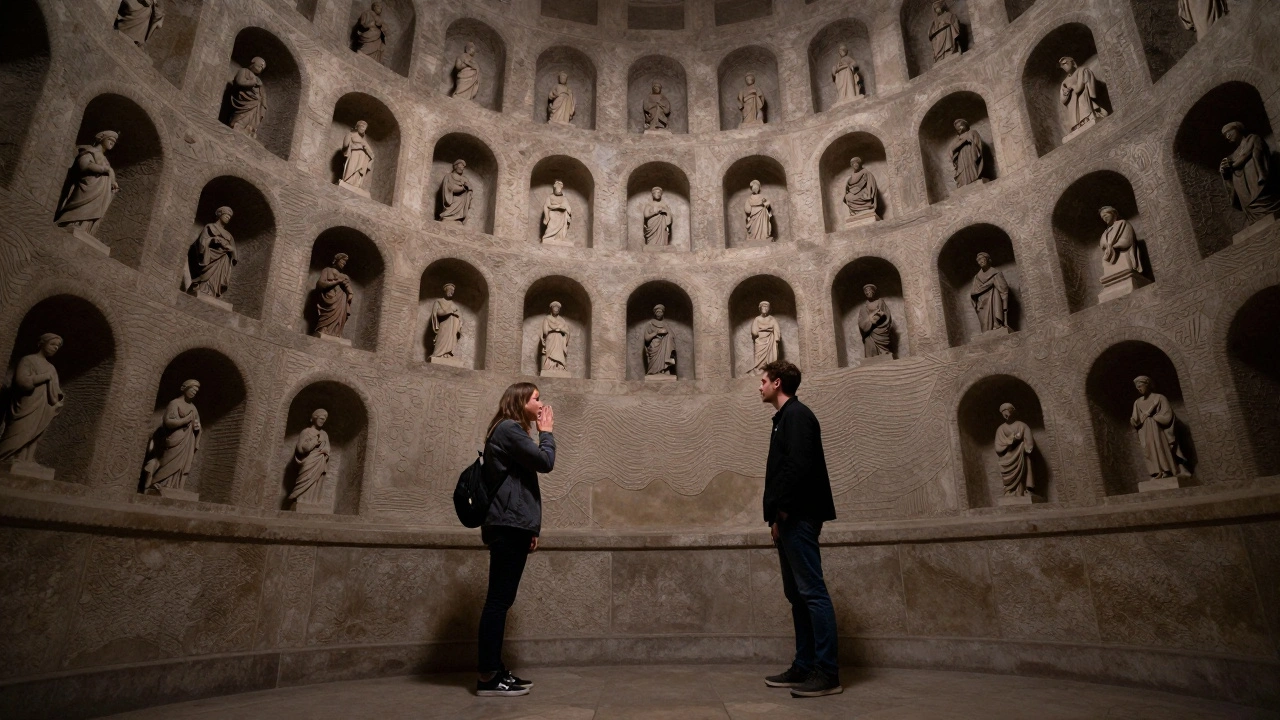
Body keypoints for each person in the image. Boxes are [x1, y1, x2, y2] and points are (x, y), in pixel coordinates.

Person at [758, 360, 841, 698]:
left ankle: (827, 672)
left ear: (778, 383)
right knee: (797, 595)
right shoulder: (785, 418)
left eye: (763, 380)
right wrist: (777, 519)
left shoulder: (797, 415)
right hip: (788, 519)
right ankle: (804, 665)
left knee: (812, 593)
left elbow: (798, 467)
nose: (759, 386)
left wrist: (784, 512)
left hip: (799, 517)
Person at [476, 382, 555, 697]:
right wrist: (546, 431)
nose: (541, 403)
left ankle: (493, 669)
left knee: (500, 600)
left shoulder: (507, 429)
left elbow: (518, 484)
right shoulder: (509, 429)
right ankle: (489, 676)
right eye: (536, 398)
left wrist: (530, 529)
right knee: (498, 601)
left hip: (513, 525)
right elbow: (545, 462)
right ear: (520, 401)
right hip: (508, 526)